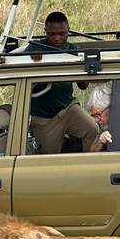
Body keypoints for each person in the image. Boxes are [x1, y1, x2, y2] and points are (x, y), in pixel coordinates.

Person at [24, 12, 99, 154]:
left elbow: (83, 86)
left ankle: (88, 168)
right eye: (52, 34)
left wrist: (79, 68)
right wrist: (34, 61)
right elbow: (24, 79)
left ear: (68, 31)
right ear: (45, 32)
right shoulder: (34, 48)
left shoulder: (74, 50)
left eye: (62, 34)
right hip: (44, 117)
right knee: (47, 159)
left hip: (67, 108)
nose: (57, 39)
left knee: (92, 129)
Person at [86, 85, 112, 152]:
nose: (96, 120)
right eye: (94, 116)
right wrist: (100, 142)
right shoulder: (105, 125)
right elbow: (92, 151)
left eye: (98, 115)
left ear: (110, 108)